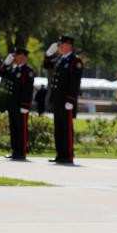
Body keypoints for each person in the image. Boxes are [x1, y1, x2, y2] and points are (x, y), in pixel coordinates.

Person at [43, 35, 83, 165]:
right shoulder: (60, 59)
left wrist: (71, 100)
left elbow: (74, 82)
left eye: (62, 44)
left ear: (69, 45)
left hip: (67, 101)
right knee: (58, 128)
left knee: (66, 128)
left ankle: (68, 155)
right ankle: (60, 154)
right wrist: (48, 54)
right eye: (59, 45)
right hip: (58, 100)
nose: (59, 47)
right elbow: (46, 65)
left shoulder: (74, 61)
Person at [0, 47, 35, 160]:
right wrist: (5, 63)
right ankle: (15, 151)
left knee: (21, 129)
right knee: (13, 128)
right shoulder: (14, 69)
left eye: (16, 55)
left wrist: (25, 105)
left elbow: (28, 90)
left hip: (21, 105)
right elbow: (1, 73)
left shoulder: (28, 71)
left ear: (23, 56)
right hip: (12, 104)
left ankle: (21, 152)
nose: (14, 57)